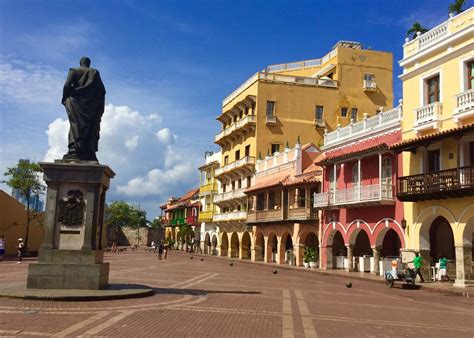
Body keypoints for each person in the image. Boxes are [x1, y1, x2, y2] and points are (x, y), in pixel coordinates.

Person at [62, 57, 106, 161]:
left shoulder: (74, 71)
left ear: (80, 63)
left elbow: (67, 85)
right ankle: (88, 150)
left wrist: (65, 97)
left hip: (75, 102)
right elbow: (102, 90)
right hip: (91, 106)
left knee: (75, 125)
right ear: (89, 64)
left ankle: (74, 149)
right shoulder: (95, 72)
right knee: (90, 127)